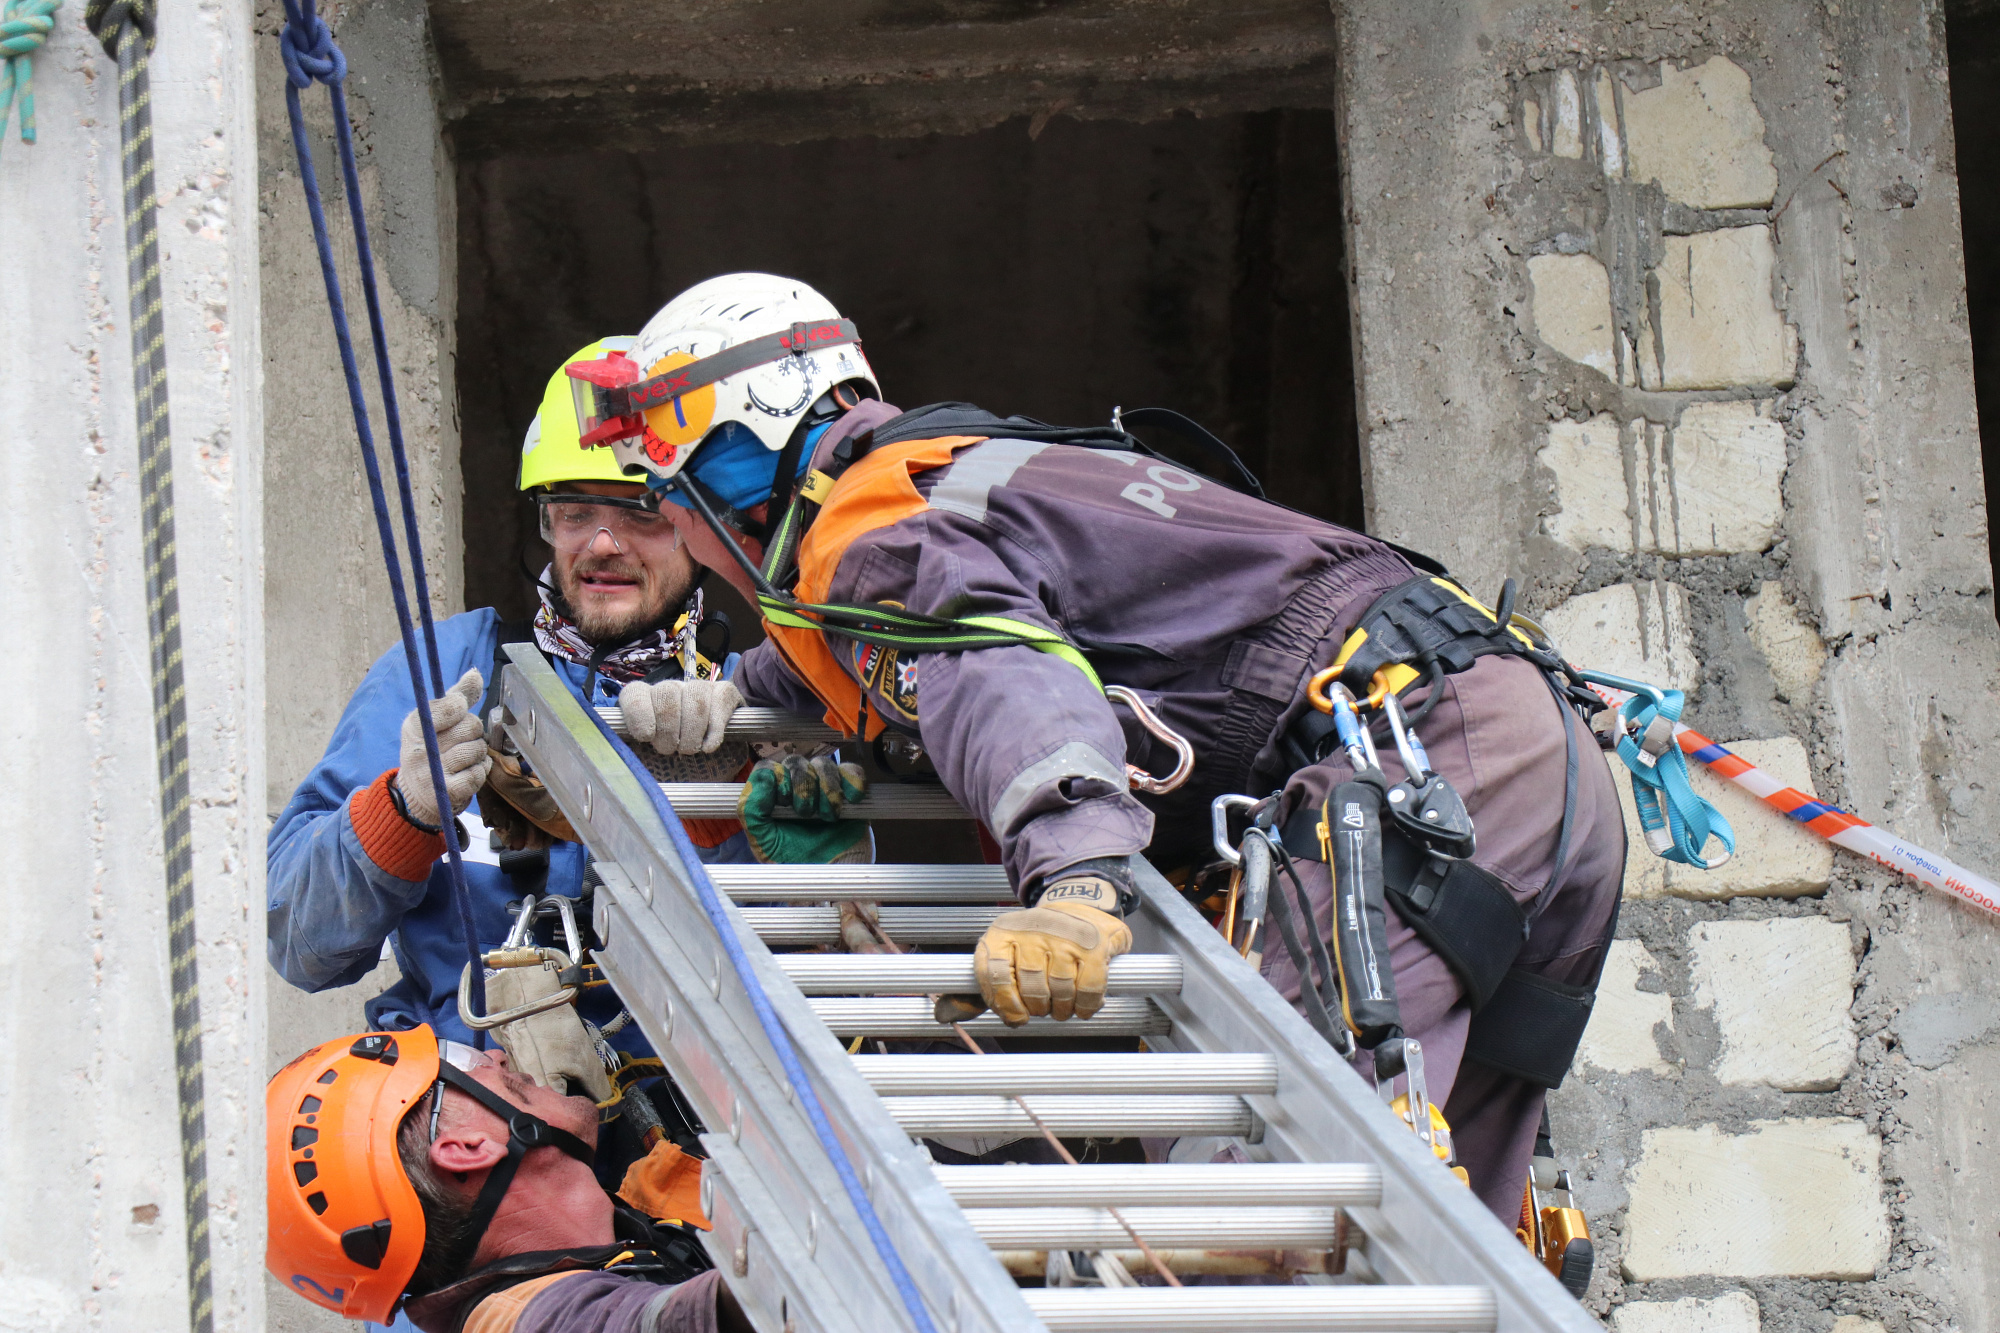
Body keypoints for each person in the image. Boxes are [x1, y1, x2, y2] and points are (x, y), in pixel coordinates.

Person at [556, 272, 1628, 1228]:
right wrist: (724, 706)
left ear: (734, 455)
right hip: (1522, 756)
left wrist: (1074, 878)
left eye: (672, 495)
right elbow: (877, 655)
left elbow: (996, 669)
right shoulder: (952, 475)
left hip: (1400, 772)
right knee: (1445, 1225)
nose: (681, 532)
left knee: (1253, 1210)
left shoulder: (867, 530)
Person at [267, 338, 763, 1053]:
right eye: (574, 511)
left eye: (640, 512)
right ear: (544, 522)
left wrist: (716, 803)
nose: (601, 543)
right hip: (474, 1123)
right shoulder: (445, 669)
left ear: (701, 528)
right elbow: (298, 943)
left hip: (685, 1126)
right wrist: (402, 812)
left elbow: (823, 971)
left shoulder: (754, 706)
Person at [267, 1025, 747, 1332]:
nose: (495, 1056)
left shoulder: (644, 1216)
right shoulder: (516, 1322)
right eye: (457, 1060)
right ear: (466, 1148)